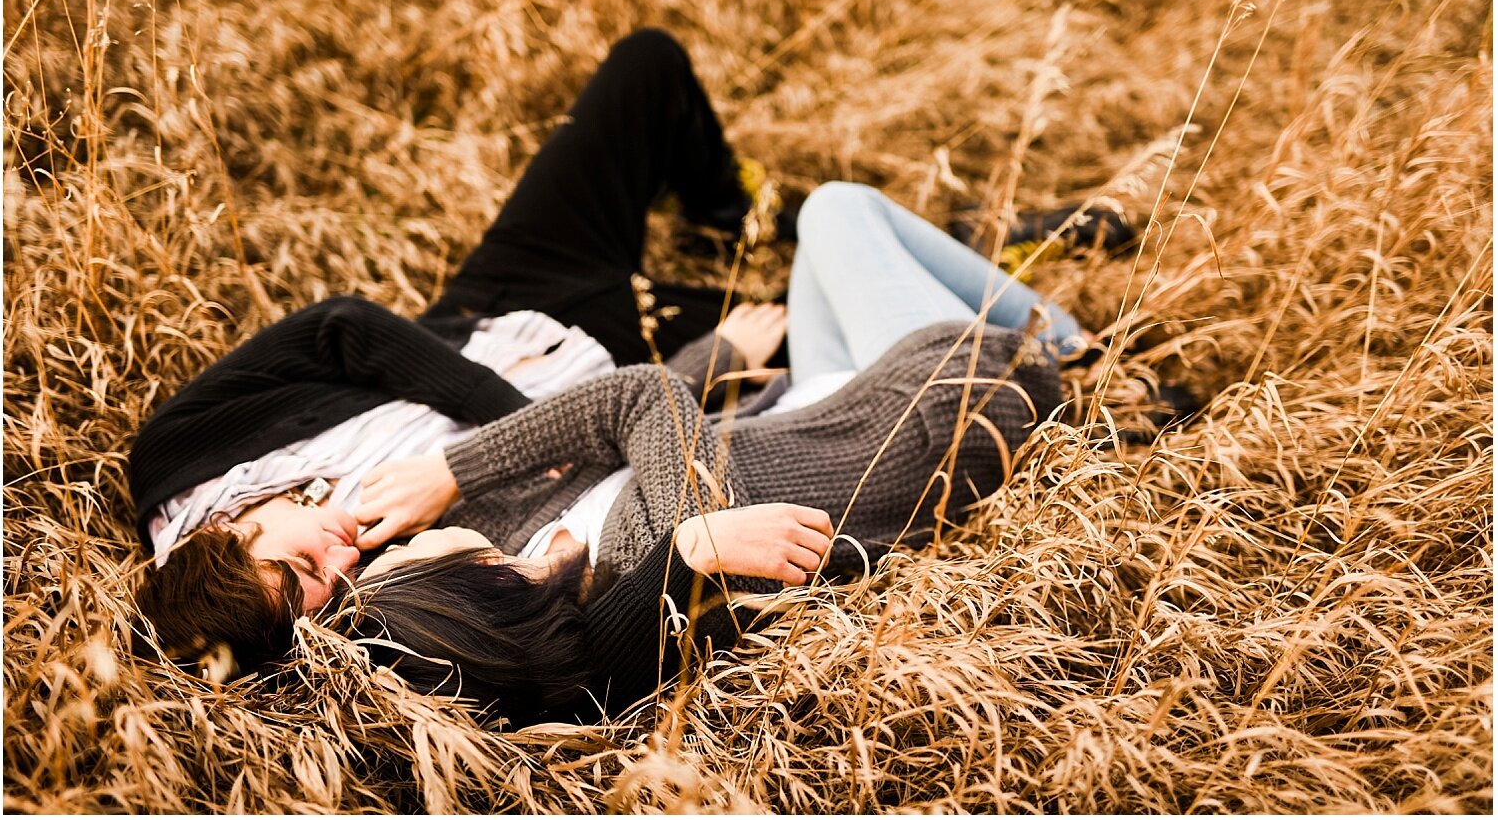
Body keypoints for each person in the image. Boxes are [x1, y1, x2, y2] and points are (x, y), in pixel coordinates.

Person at [132, 28, 790, 667]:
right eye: (325, 585)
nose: (341, 562)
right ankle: (769, 257)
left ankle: (732, 211)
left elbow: (340, 327)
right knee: (797, 316)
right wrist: (706, 362)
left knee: (646, 63)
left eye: (306, 559)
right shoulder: (358, 598)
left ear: (222, 534)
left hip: (502, 300)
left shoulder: (178, 456)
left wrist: (499, 421)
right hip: (623, 358)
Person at [328, 180, 1079, 726]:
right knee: (837, 209)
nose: (392, 548)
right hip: (937, 413)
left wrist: (713, 358)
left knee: (818, 250)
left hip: (820, 397)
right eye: (400, 560)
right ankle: (1070, 350)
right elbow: (642, 401)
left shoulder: (524, 532)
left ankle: (1045, 331)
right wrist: (454, 468)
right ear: (475, 580)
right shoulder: (633, 567)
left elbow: (614, 416)